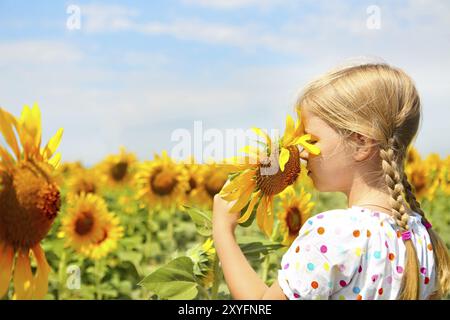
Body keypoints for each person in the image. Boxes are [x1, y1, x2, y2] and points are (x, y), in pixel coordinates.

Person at [212, 62, 450, 300]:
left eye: (313, 140)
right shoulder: (421, 236)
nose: (303, 152)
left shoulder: (334, 233)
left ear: (361, 144)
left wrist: (223, 229)